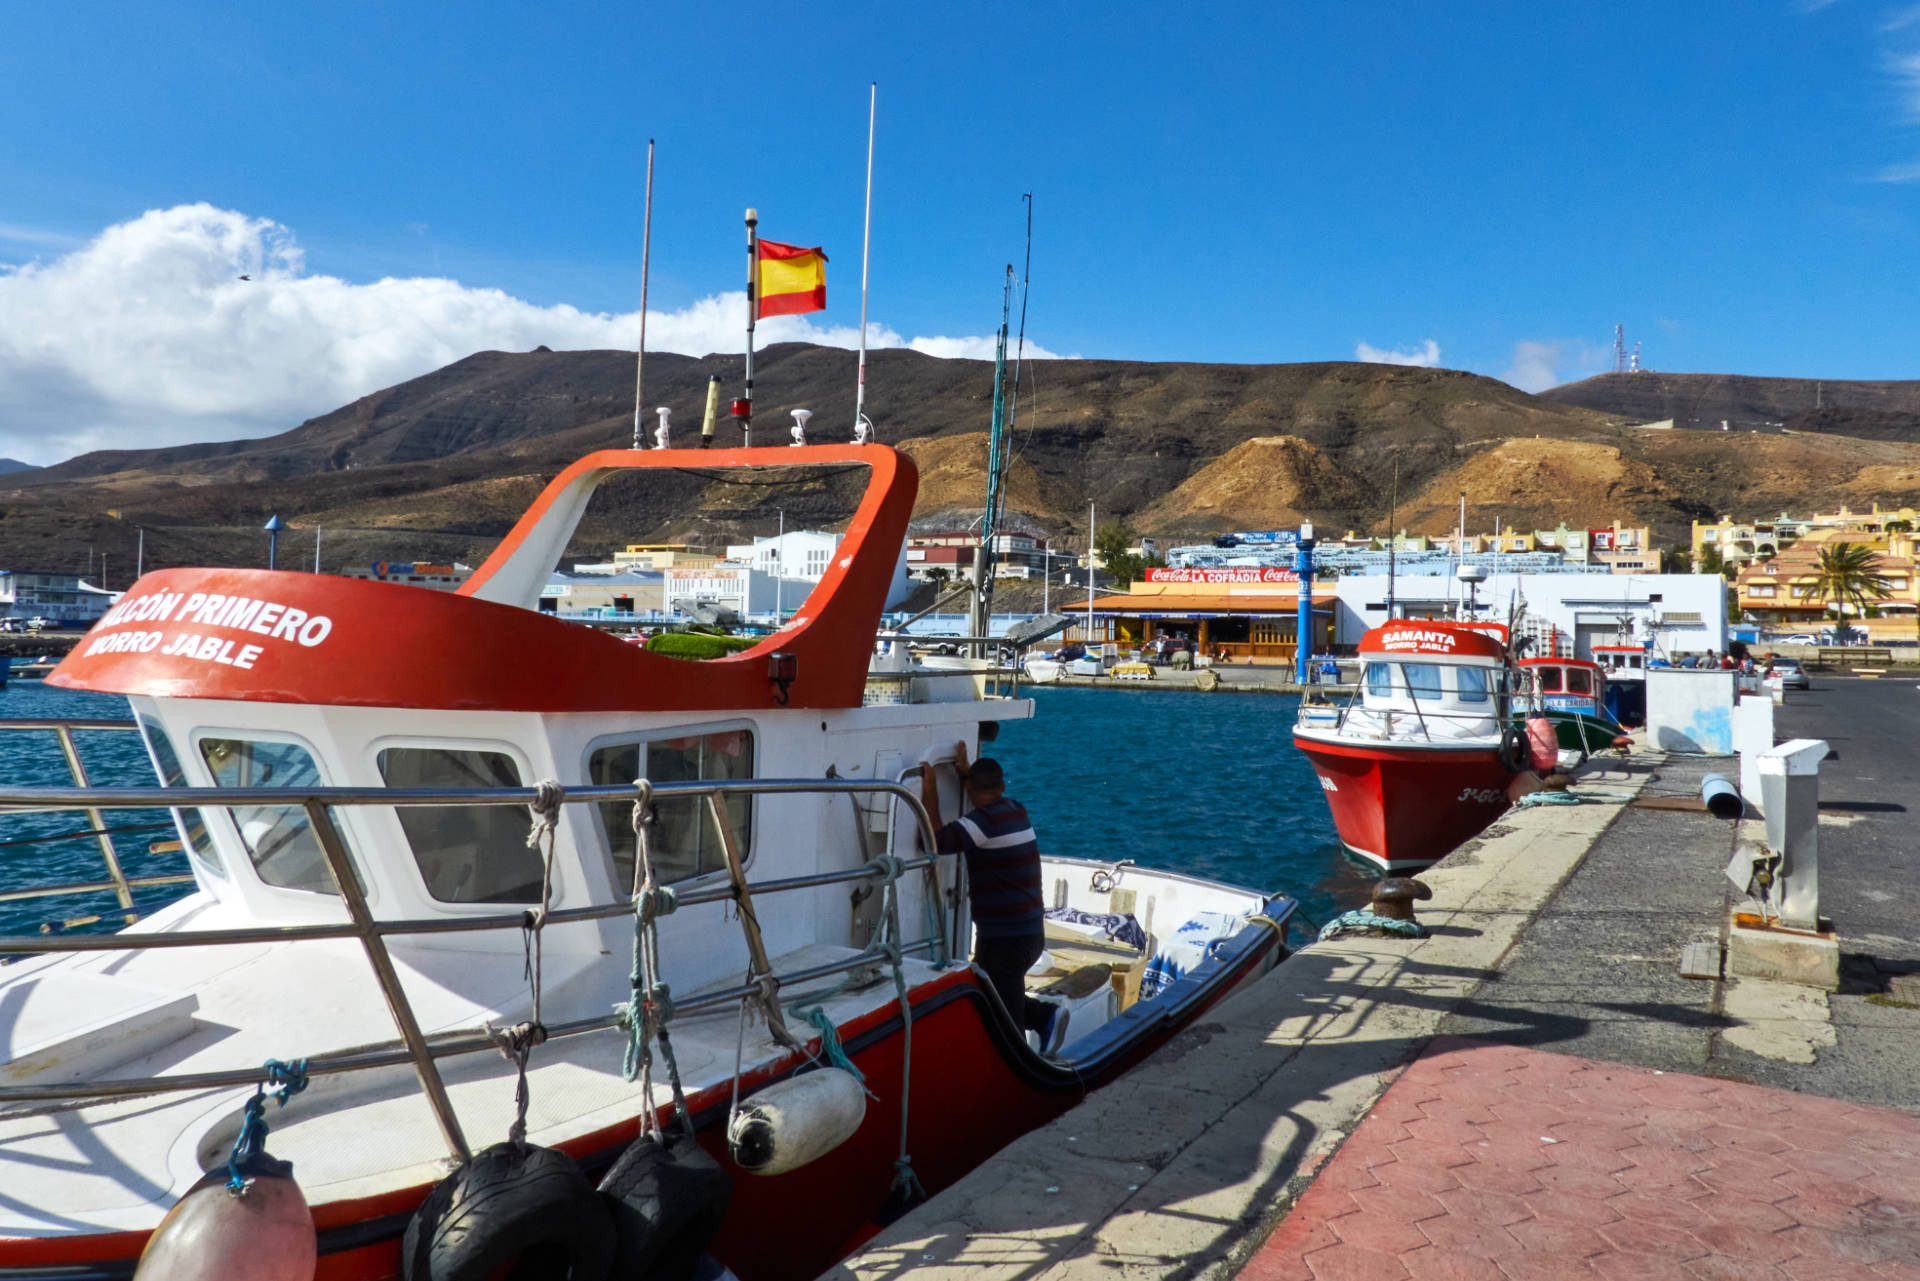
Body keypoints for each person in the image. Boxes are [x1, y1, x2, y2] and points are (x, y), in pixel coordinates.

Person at [919, 740, 1063, 1052]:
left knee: (1005, 1017)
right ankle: (1045, 1017)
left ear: (970, 789)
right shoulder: (1015, 810)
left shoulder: (981, 824)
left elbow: (932, 841)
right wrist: (967, 774)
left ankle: (1040, 1028)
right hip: (1022, 934)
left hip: (1008, 940)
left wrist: (928, 788)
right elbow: (981, 793)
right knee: (984, 991)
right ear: (1002, 786)